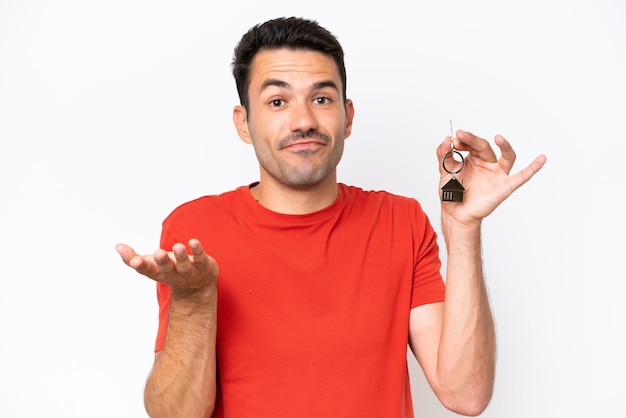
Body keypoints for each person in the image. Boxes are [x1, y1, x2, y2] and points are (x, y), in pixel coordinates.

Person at [116, 16, 546, 418]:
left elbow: (465, 394)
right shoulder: (195, 229)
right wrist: (194, 299)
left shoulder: (401, 221)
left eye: (322, 98)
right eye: (278, 100)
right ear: (244, 123)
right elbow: (176, 413)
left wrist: (464, 228)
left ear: (348, 116)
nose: (303, 120)